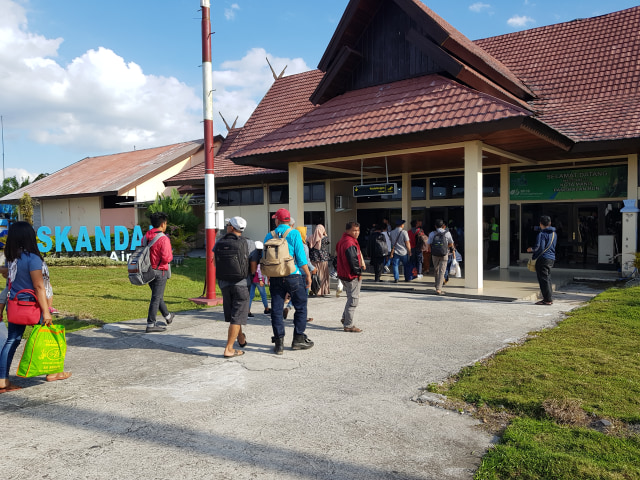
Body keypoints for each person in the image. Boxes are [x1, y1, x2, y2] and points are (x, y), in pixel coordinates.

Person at [1, 221, 72, 393]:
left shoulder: (12, 259)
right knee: (48, 336)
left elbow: (8, 282)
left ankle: (2, 380)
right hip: (32, 306)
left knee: (12, 340)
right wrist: (46, 311)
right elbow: (39, 286)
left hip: (15, 305)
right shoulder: (32, 258)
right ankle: (53, 372)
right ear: (29, 237)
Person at [264, 208, 313, 354]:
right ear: (288, 220)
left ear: (277, 220)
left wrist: (268, 275)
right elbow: (301, 257)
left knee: (277, 310)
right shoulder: (294, 233)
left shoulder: (269, 235)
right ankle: (298, 339)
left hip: (275, 276)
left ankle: (279, 343)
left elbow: (266, 256)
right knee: (301, 307)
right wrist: (308, 275)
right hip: (293, 275)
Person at [214, 216, 259, 357]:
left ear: (232, 228)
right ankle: (229, 349)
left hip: (224, 284)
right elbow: (253, 267)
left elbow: (215, 263)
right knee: (238, 316)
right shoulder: (250, 244)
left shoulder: (219, 242)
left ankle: (240, 338)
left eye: (228, 224)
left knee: (235, 315)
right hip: (242, 284)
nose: (227, 226)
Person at [144, 212, 175, 333]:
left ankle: (168, 316)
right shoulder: (163, 238)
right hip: (159, 271)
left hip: (147, 270)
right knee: (156, 297)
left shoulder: (146, 236)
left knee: (157, 295)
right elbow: (167, 258)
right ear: (163, 224)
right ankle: (151, 324)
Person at [336, 222, 365, 332]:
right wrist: (359, 273)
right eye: (354, 230)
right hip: (350, 274)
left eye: (358, 230)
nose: (357, 232)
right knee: (353, 300)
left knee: (350, 297)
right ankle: (348, 325)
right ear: (347, 230)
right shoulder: (349, 242)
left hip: (343, 273)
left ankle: (345, 318)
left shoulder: (342, 241)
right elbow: (353, 260)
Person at [527, 215, 557, 305]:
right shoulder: (554, 234)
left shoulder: (541, 234)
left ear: (540, 224)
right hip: (551, 258)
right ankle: (549, 298)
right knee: (548, 278)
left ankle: (547, 300)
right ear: (550, 223)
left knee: (543, 280)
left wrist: (531, 250)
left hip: (543, 259)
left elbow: (539, 247)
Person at [427, 219, 455, 295]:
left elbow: (428, 244)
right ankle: (439, 289)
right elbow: (451, 243)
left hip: (435, 254)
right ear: (443, 226)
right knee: (442, 271)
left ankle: (436, 285)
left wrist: (432, 250)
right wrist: (445, 247)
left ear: (435, 226)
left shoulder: (432, 234)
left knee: (436, 270)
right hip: (444, 253)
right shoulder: (447, 233)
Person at [248, 241, 270, 318]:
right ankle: (266, 309)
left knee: (250, 295)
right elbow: (259, 269)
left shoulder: (251, 256)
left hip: (251, 278)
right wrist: (261, 279)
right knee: (263, 294)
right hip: (258, 278)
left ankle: (248, 311)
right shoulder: (260, 258)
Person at [308, 224, 331, 296]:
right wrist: (324, 234)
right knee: (323, 274)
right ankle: (321, 291)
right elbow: (327, 242)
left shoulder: (310, 238)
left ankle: (312, 289)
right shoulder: (325, 238)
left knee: (313, 274)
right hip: (323, 259)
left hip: (313, 259)